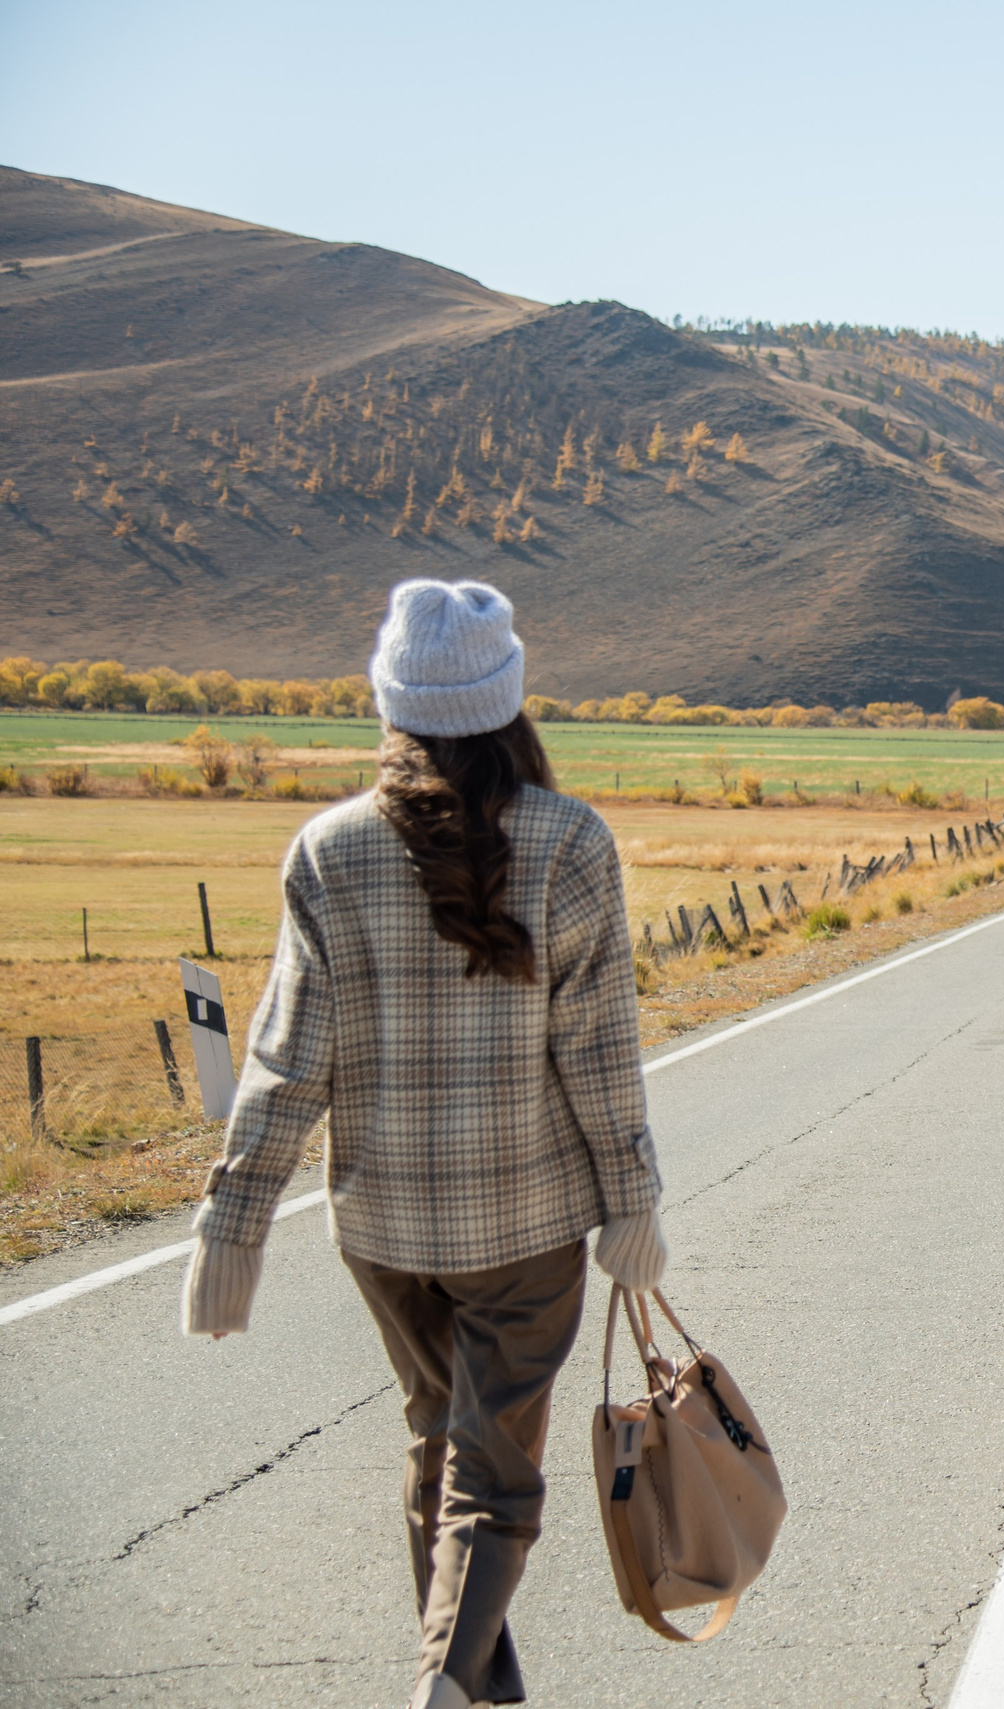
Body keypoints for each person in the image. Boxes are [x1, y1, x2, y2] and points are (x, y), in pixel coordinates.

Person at [179, 580, 668, 1709]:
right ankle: (444, 1684)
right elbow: (598, 1055)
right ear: (508, 703)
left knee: (437, 1443)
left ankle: (478, 1693)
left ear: (393, 705)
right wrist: (633, 1204)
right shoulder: (570, 841)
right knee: (493, 1473)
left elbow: (287, 1052)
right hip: (529, 1225)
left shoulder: (327, 849)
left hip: (385, 1228)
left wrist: (234, 1218)